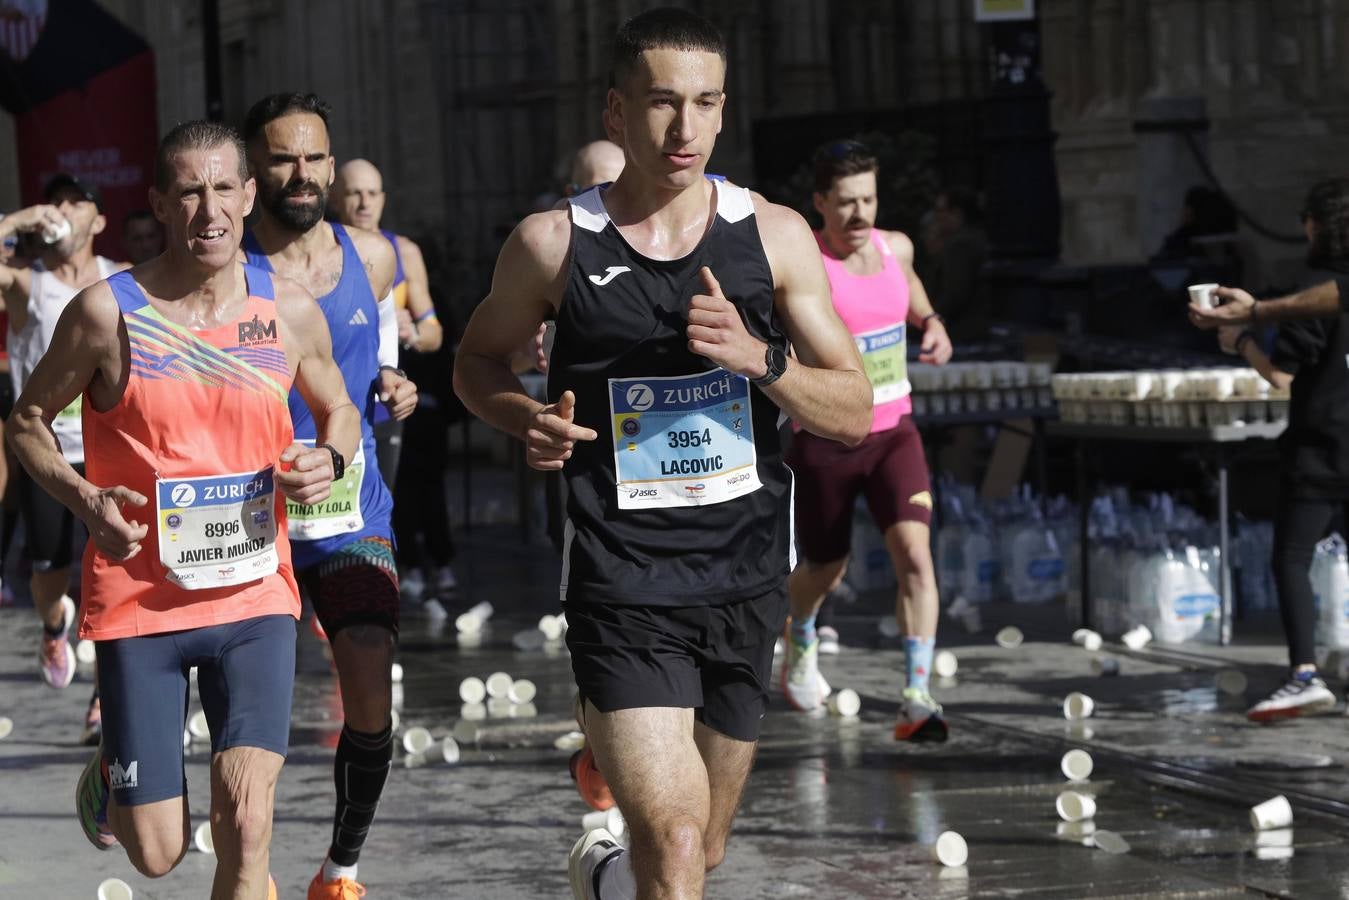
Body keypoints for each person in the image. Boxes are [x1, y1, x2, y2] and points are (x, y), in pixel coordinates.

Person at [453, 9, 872, 898]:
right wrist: (518, 415)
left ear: (722, 114)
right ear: (615, 112)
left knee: (702, 849)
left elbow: (853, 411)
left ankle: (603, 877)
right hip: (622, 579)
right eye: (660, 103)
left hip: (746, 576)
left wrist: (760, 359)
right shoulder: (552, 243)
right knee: (676, 843)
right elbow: (475, 361)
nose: (683, 128)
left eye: (703, 104)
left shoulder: (775, 235)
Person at [7, 119, 359, 900]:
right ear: (161, 205)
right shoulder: (108, 313)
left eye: (224, 188)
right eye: (190, 192)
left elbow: (338, 408)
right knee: (158, 855)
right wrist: (87, 498)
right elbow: (25, 422)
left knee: (247, 818)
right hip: (140, 602)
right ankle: (112, 778)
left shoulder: (288, 308)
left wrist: (327, 459)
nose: (210, 210)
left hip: (254, 595)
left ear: (248, 194)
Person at [240, 92, 417, 900]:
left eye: (314, 157)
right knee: (248, 718)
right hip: (245, 513)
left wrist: (391, 386)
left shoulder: (375, 257)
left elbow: (370, 356)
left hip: (348, 503)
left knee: (370, 680)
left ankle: (339, 869)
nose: (302, 173)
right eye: (282, 158)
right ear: (253, 168)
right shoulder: (225, 265)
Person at [781, 140, 954, 741]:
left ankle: (916, 695)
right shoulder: (805, 263)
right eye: (846, 203)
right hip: (826, 437)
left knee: (915, 557)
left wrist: (930, 323)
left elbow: (909, 288)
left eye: (869, 200)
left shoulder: (894, 246)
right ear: (820, 204)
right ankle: (799, 631)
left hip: (894, 431)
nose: (860, 215)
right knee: (826, 566)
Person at [1208, 178, 1349, 721]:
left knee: (1292, 558)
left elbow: (1282, 377)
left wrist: (1241, 341)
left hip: (1319, 446)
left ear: (1315, 226)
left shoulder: (1308, 292)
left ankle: (1305, 673)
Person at [0, 174, 126, 743]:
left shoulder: (120, 279)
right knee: (49, 573)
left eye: (76, 202)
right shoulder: (29, 283)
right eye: (55, 202)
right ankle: (54, 625)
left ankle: (106, 697)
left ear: (98, 221)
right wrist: (16, 222)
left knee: (114, 567)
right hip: (45, 453)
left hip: (108, 449)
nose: (63, 211)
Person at [331, 157, 454, 598]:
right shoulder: (317, 250)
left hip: (387, 402)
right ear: (334, 196)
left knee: (391, 496)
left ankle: (392, 579)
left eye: (372, 193)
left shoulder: (402, 251)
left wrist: (413, 333)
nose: (364, 202)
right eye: (353, 192)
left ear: (384, 199)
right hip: (331, 404)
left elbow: (435, 332)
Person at [925, 186, 988, 343]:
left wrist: (928, 321)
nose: (937, 217)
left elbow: (955, 295)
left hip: (961, 332)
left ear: (957, 214)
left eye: (941, 211)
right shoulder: (976, 239)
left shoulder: (960, 245)